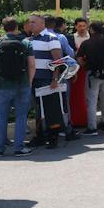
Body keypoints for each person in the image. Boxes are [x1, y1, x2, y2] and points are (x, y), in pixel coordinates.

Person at [0, 17, 36, 156]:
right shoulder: (26, 43)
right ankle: (19, 147)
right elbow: (32, 65)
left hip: (2, 85)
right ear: (17, 27)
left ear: (3, 28)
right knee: (21, 116)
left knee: (1, 116)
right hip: (22, 84)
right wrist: (30, 80)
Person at [28, 15, 66, 147]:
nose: (30, 24)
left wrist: (55, 78)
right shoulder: (30, 39)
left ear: (42, 24)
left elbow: (58, 61)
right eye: (30, 22)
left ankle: (53, 137)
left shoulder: (51, 38)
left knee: (51, 108)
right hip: (34, 79)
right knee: (38, 109)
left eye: (33, 22)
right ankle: (40, 136)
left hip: (47, 79)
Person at [78, 20, 104, 134]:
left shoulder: (86, 43)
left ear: (91, 30)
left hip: (93, 74)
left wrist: (85, 65)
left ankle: (92, 127)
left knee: (91, 101)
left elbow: (80, 59)